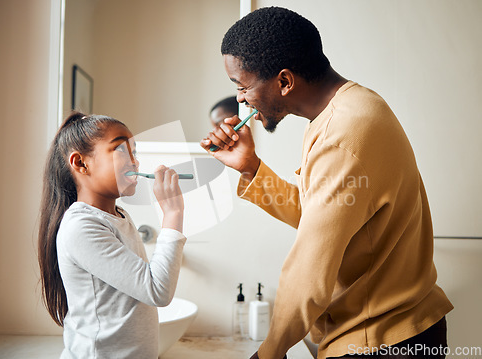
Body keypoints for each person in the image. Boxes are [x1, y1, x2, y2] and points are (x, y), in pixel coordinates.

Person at [201, 7, 453, 359]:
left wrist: (269, 352)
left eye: (242, 86)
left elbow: (310, 268)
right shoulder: (352, 108)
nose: (240, 99)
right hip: (402, 329)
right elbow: (323, 212)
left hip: (379, 340)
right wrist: (251, 167)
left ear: (285, 81)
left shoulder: (341, 134)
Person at [38, 112, 186, 359]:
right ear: (80, 163)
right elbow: (157, 291)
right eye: (120, 150)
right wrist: (173, 213)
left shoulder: (119, 215)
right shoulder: (81, 226)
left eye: (134, 152)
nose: (135, 162)